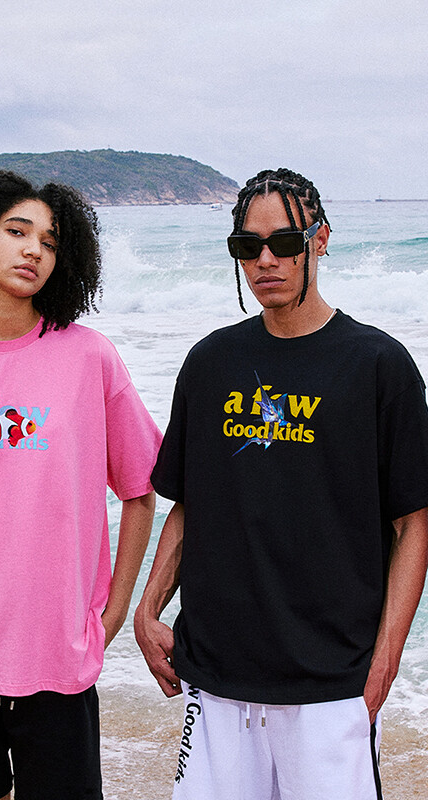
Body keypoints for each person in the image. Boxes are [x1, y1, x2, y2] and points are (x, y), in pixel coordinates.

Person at [134, 167, 428, 800]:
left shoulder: (378, 365)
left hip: (331, 684)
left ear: (320, 240)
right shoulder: (210, 362)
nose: (265, 260)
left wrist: (383, 664)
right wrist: (148, 608)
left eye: (285, 243)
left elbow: (414, 524)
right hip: (216, 676)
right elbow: (188, 505)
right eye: (248, 246)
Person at [0, 170, 162, 800]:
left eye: (49, 242)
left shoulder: (89, 357)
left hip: (57, 655)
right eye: (17, 232)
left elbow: (141, 488)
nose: (34, 252)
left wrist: (114, 611)